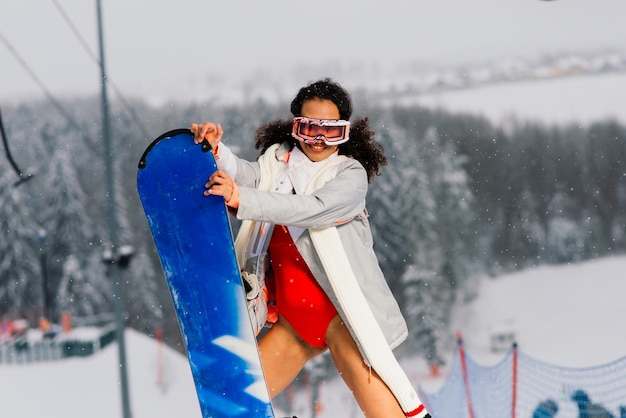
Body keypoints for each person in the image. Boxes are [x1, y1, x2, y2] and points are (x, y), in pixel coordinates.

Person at [190, 78, 430, 418]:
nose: (318, 140)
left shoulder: (348, 175)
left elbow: (311, 208)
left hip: (339, 316)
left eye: (330, 132)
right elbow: (251, 177)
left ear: (345, 133)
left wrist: (241, 198)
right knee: (236, 400)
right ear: (295, 127)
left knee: (382, 407)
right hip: (294, 323)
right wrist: (217, 152)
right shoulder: (278, 162)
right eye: (309, 128)